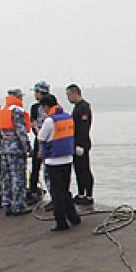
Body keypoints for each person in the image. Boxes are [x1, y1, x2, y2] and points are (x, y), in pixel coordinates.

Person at [36, 99, 81, 231]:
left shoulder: (50, 120)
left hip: (53, 160)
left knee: (57, 193)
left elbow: (41, 137)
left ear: (46, 106)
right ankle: (73, 217)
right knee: (65, 190)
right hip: (67, 159)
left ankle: (61, 221)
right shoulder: (68, 117)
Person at [0, 88, 32, 215]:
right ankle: (18, 205)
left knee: (6, 177)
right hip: (15, 147)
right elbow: (21, 131)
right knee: (18, 177)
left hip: (4, 148)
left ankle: (7, 204)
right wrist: (27, 147)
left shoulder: (2, 110)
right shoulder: (17, 110)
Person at [66, 84, 95, 206]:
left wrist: (81, 145)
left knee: (84, 170)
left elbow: (83, 128)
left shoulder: (83, 108)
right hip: (75, 144)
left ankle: (88, 195)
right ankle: (81, 193)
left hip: (81, 144)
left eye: (68, 95)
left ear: (75, 93)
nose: (68, 98)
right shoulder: (77, 107)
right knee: (78, 170)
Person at [28, 81, 52, 204]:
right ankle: (33, 190)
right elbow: (33, 123)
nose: (35, 95)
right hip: (42, 139)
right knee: (36, 166)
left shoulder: (48, 106)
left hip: (46, 140)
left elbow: (34, 124)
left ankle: (51, 193)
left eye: (36, 92)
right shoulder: (35, 107)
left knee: (47, 167)